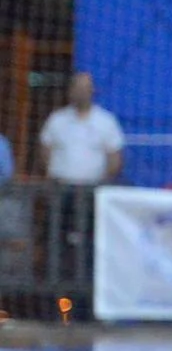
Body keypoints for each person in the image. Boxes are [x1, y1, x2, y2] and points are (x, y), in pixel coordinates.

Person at [40, 71, 125, 276]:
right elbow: (45, 150)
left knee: (90, 240)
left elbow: (115, 157)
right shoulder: (57, 120)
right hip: (62, 192)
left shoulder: (106, 121)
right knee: (57, 238)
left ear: (92, 91)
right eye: (77, 88)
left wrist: (101, 181)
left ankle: (89, 279)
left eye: (85, 88)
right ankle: (55, 279)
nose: (81, 93)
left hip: (91, 194)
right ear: (70, 91)